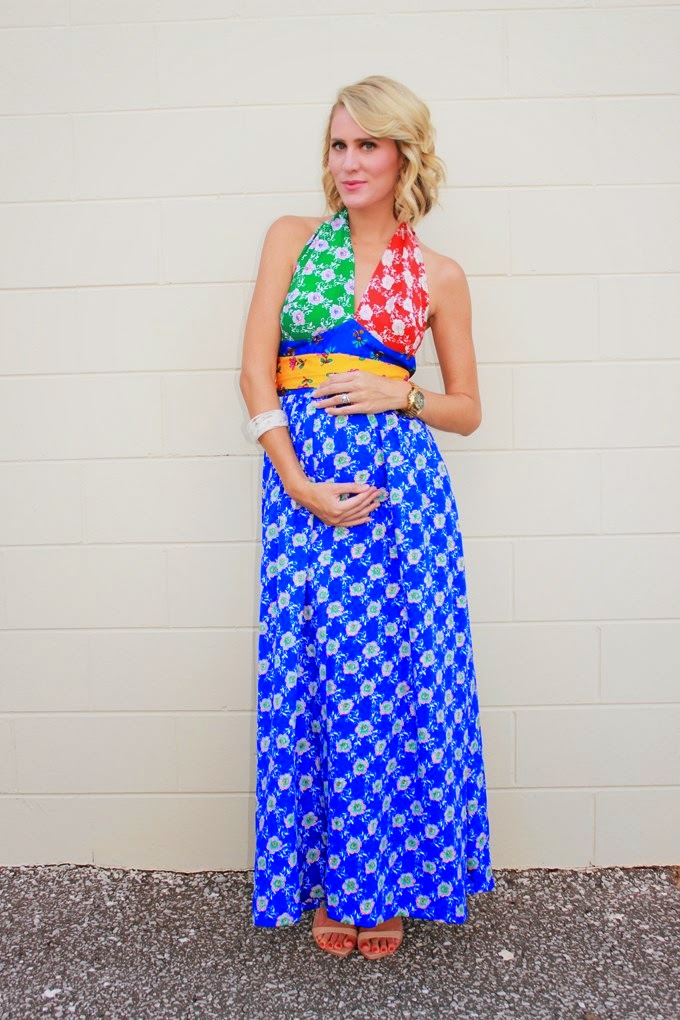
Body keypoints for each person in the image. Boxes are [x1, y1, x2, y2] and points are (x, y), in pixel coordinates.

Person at [239, 75, 495, 961]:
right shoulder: (289, 239)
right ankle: (331, 879)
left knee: (398, 682)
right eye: (338, 144)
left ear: (403, 156)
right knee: (317, 676)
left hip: (404, 502)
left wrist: (404, 393)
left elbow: (468, 410)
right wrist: (296, 482)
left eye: (367, 145)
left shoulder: (439, 275)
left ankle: (382, 883)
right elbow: (254, 373)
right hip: (304, 489)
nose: (349, 162)